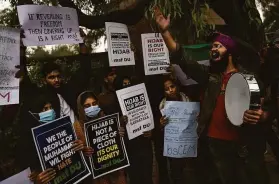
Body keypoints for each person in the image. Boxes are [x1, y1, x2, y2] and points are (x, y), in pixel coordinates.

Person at [154, 8, 271, 184]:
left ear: (229, 52)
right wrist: (165, 32)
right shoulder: (210, 77)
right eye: (212, 47)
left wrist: (263, 115)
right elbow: (182, 57)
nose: (213, 49)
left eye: (218, 46)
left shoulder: (248, 79)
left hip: (241, 147)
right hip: (213, 145)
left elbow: (269, 107)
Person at [18, 92, 92, 184]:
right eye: (45, 109)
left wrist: (81, 148)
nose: (50, 111)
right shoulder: (27, 142)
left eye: (51, 108)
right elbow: (31, 175)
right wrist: (38, 180)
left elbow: (73, 156)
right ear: (34, 114)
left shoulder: (64, 129)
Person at [21, 29, 91, 124]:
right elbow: (25, 80)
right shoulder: (40, 95)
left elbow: (84, 70)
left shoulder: (69, 89)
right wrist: (21, 47)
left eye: (58, 76)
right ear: (44, 80)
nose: (56, 80)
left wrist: (81, 43)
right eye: (52, 77)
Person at [76, 91, 127, 184]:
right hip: (96, 177)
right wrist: (83, 151)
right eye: (87, 106)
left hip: (116, 172)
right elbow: (75, 158)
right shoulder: (77, 127)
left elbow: (118, 146)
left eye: (94, 104)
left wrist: (119, 134)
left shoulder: (108, 120)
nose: (92, 107)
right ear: (81, 108)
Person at [113, 76, 154, 184]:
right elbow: (113, 130)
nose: (128, 86)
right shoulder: (115, 104)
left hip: (145, 145)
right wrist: (120, 121)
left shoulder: (143, 98)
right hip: (129, 148)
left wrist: (151, 132)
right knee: (135, 177)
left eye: (129, 83)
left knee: (147, 176)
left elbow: (149, 118)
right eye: (124, 84)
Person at [159, 77, 192, 184]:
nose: (170, 90)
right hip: (173, 146)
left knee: (189, 172)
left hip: (188, 143)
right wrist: (161, 124)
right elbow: (161, 129)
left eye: (172, 86)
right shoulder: (162, 105)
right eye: (167, 88)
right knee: (176, 174)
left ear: (176, 86)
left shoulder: (186, 99)